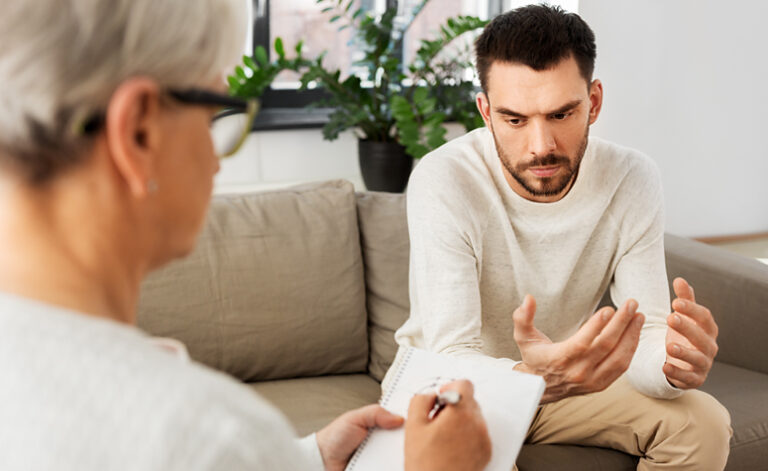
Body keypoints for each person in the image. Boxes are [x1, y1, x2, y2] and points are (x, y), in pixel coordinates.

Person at [0, 1, 491, 470]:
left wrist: (307, 458)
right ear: (139, 133)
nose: (215, 160)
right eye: (214, 114)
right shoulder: (204, 433)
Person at [393, 4, 732, 470]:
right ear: (485, 111)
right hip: (452, 389)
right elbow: (453, 356)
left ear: (592, 103)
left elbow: (647, 334)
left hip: (565, 388)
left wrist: (673, 364)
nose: (541, 146)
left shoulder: (631, 177)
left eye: (560, 114)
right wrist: (534, 374)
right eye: (514, 120)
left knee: (702, 423)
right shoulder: (445, 179)